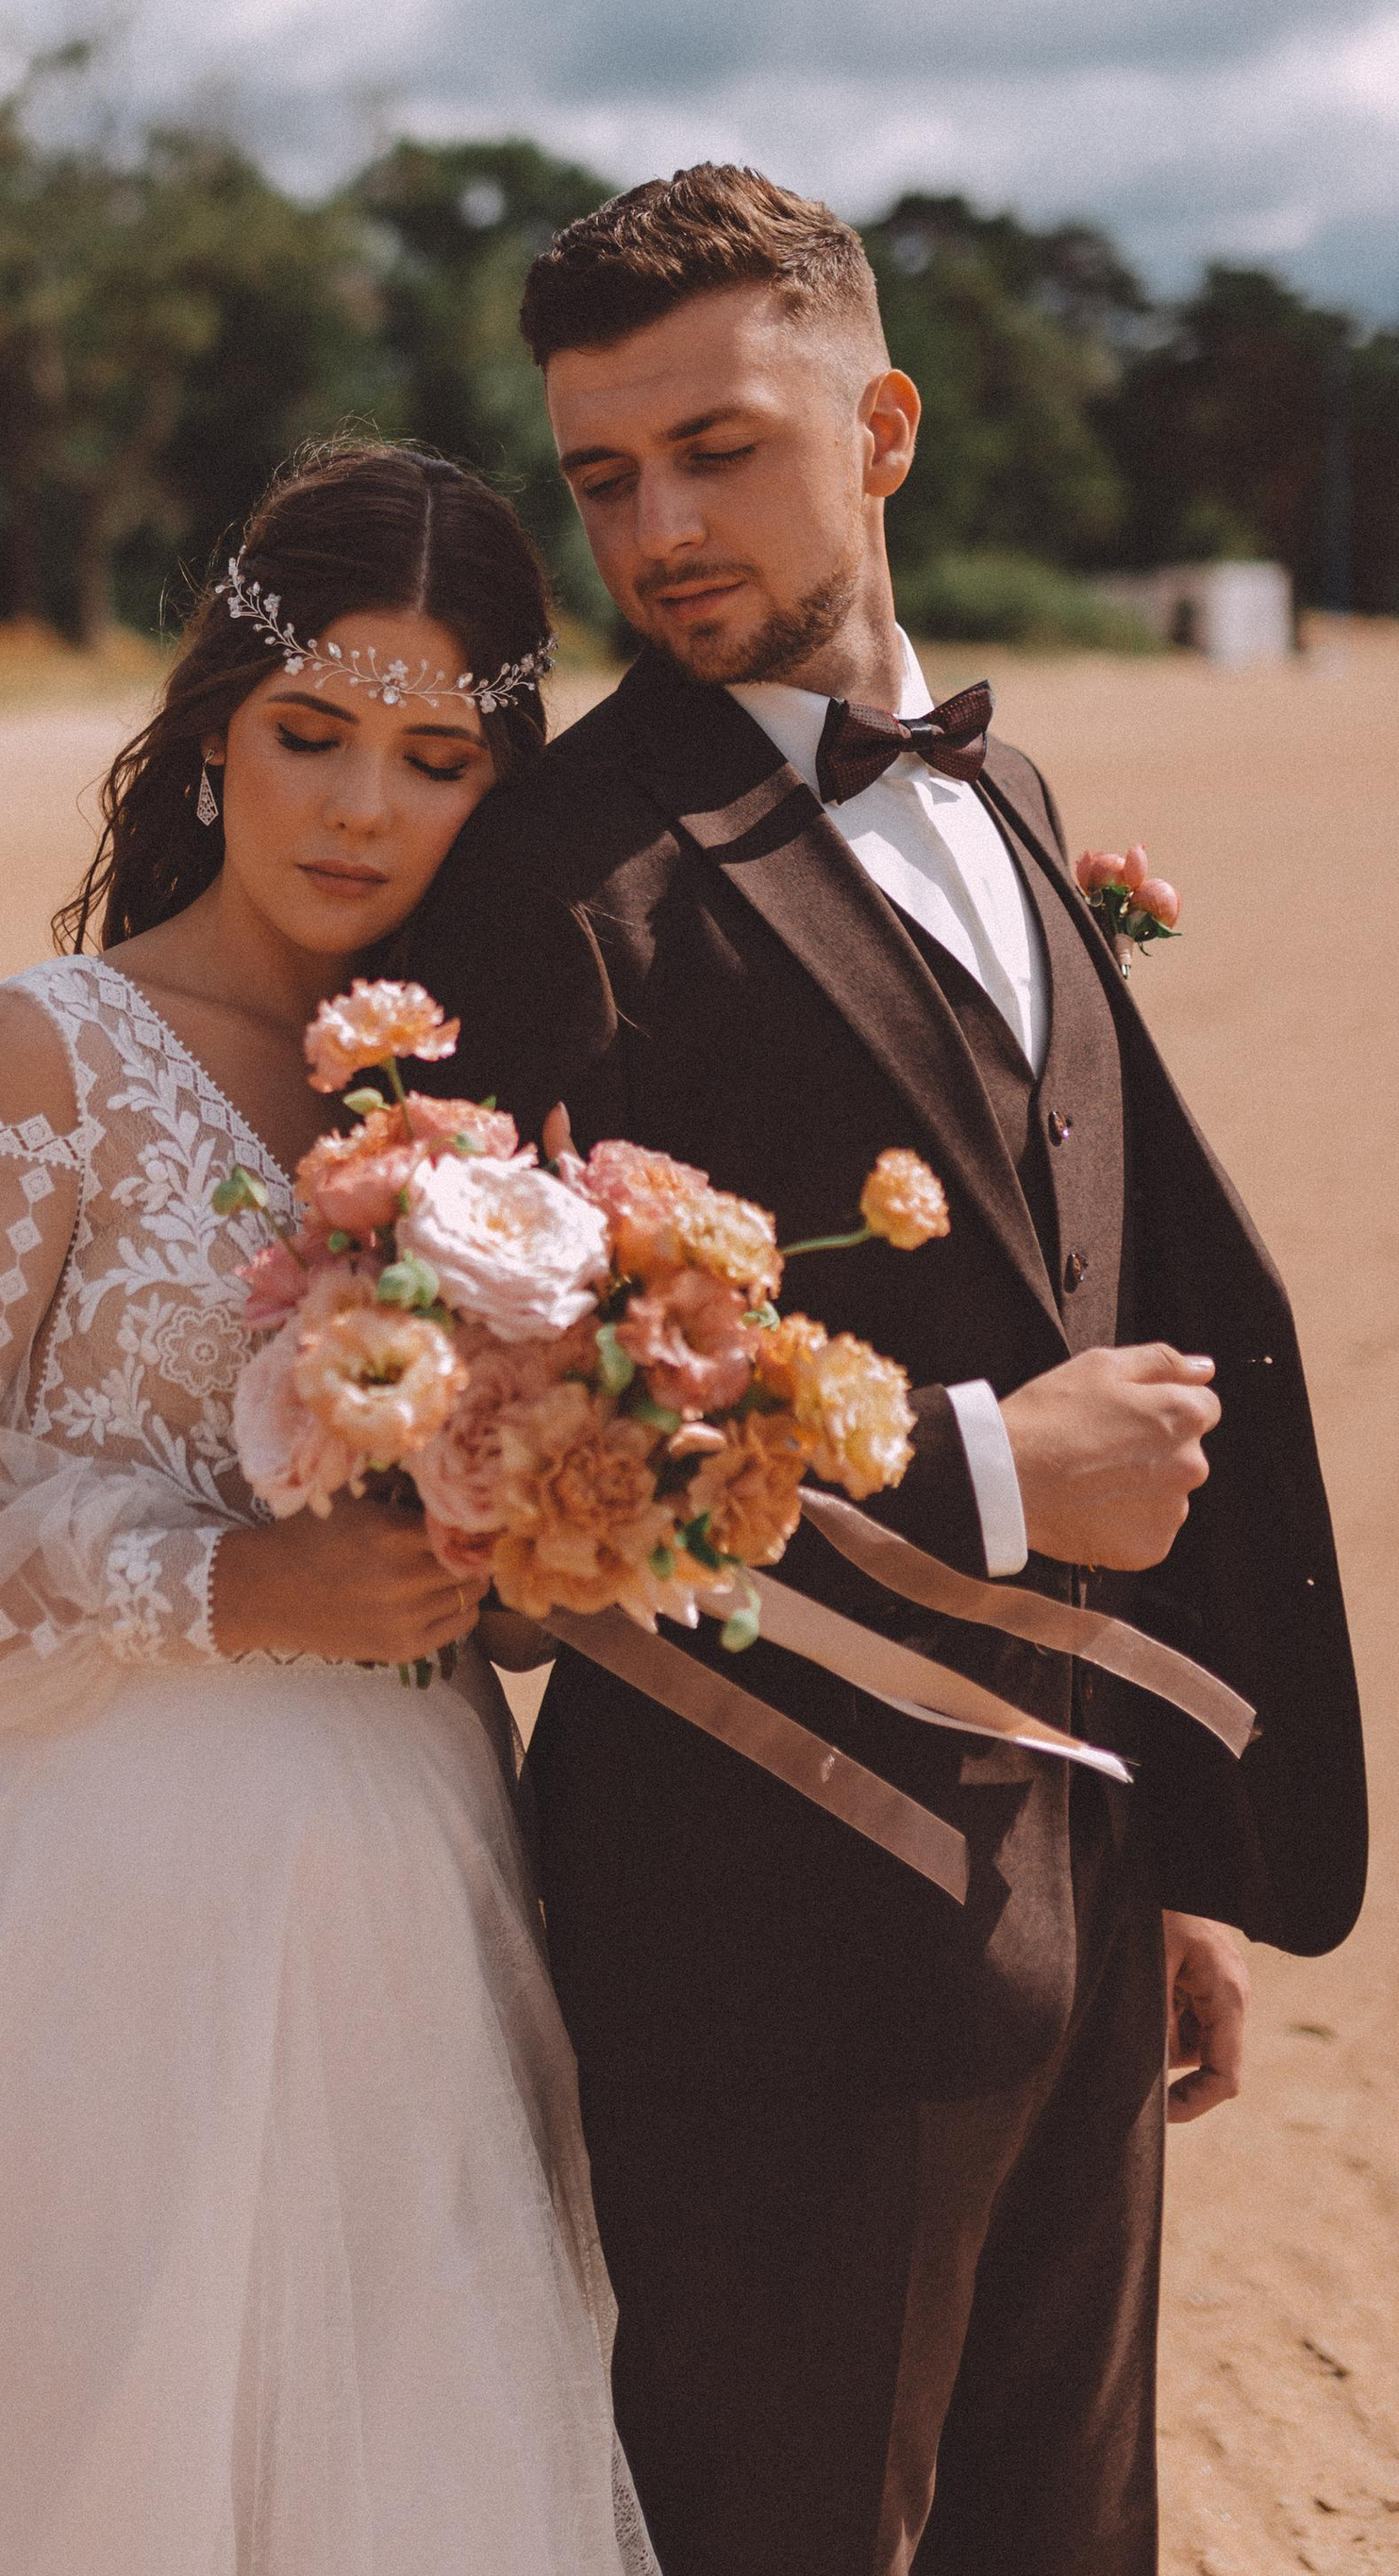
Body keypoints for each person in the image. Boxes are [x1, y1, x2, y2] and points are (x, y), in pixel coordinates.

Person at [403, 166, 1367, 2576]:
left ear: (885, 426)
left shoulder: (1009, 801)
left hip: (1067, 1863)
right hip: (752, 1925)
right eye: (602, 475)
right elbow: (488, 1495)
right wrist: (989, 1479)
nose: (653, 527)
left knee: (1071, 2532)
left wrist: (1154, 1854)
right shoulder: (545, 886)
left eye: (714, 448)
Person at [0, 442, 658, 2576]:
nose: (357, 809)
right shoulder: (47, 1053)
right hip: (124, 1905)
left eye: (430, 758)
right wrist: (224, 1586)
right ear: (214, 728)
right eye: (307, 735)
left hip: (424, 1873)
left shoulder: (479, 1100)